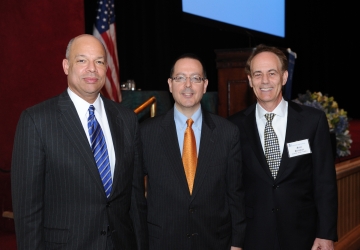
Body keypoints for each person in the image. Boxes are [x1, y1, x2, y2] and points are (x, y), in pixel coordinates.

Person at [11, 34, 148, 250]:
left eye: (99, 61)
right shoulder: (36, 121)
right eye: (82, 60)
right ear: (66, 66)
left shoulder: (127, 120)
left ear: (106, 68)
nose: (92, 68)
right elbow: (28, 211)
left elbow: (135, 200)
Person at [228, 44, 338, 250]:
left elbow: (325, 182)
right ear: (250, 80)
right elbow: (232, 189)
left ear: (284, 77)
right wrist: (235, 240)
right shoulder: (233, 127)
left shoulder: (312, 121)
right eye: (258, 74)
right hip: (253, 236)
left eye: (272, 73)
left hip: (304, 236)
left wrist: (326, 233)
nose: (265, 81)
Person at [140, 53, 246, 250]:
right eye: (180, 78)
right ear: (170, 84)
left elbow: (235, 193)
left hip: (214, 242)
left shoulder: (227, 133)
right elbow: (136, 195)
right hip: (162, 242)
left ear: (205, 85)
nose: (188, 84)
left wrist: (237, 243)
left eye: (195, 78)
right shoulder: (147, 133)